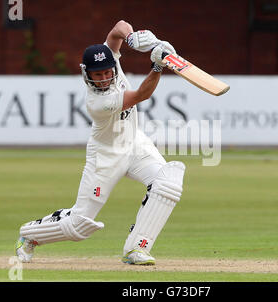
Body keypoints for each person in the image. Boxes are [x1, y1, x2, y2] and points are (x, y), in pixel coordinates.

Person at [15, 20, 186, 265]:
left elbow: (119, 27)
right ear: (87, 74)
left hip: (135, 144)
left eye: (107, 72)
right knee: (79, 226)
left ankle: (136, 249)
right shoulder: (98, 103)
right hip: (106, 156)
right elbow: (140, 95)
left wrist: (133, 38)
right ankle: (29, 235)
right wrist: (157, 66)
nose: (105, 78)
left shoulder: (110, 60)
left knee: (167, 182)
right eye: (98, 74)